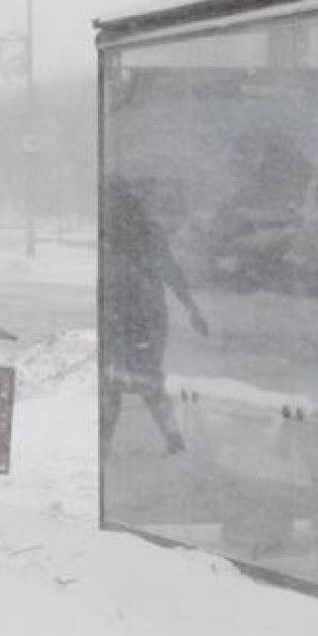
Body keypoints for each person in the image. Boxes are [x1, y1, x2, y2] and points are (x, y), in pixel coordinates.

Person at [100, 175, 209, 456]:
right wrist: (190, 308)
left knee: (122, 383)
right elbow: (171, 271)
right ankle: (171, 441)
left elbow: (168, 270)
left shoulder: (126, 235)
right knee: (135, 382)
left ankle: (171, 442)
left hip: (130, 319)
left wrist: (191, 307)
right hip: (140, 319)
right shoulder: (142, 232)